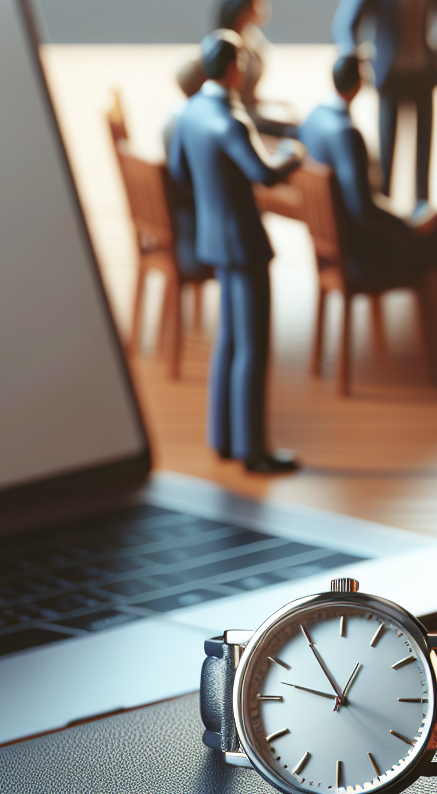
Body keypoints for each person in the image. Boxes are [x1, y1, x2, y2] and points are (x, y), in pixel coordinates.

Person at [298, 56, 437, 384]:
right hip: (364, 257)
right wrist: (407, 228)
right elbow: (363, 210)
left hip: (339, 247)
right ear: (358, 83)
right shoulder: (346, 134)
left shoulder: (315, 120)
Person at [168, 30, 303, 473]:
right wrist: (291, 154)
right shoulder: (232, 120)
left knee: (229, 340)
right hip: (243, 241)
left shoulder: (190, 113)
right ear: (232, 68)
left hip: (213, 239)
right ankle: (254, 451)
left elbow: (178, 169)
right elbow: (262, 174)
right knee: (253, 346)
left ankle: (222, 438)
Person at [332, 0, 437, 208]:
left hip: (423, 76)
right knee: (386, 161)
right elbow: (346, 22)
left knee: (424, 160)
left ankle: (423, 218)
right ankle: (386, 219)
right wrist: (353, 65)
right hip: (390, 77)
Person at [176, 0, 299, 139]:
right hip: (232, 115)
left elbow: (248, 93)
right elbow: (185, 78)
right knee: (292, 132)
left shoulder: (252, 40)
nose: (264, 10)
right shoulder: (221, 45)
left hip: (247, 111)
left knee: (294, 125)